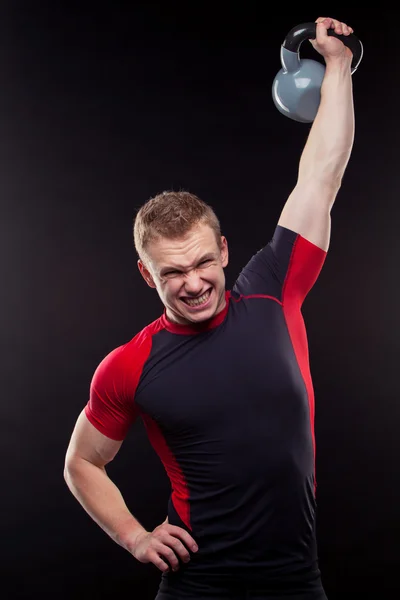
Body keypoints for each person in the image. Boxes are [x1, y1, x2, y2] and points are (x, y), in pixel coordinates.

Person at [64, 16, 355, 600]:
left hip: (297, 578)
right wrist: (134, 537)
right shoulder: (130, 364)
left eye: (202, 262)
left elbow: (320, 176)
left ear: (224, 250)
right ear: (147, 275)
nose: (193, 283)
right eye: (172, 272)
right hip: (198, 585)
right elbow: (82, 464)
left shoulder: (273, 288)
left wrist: (339, 68)